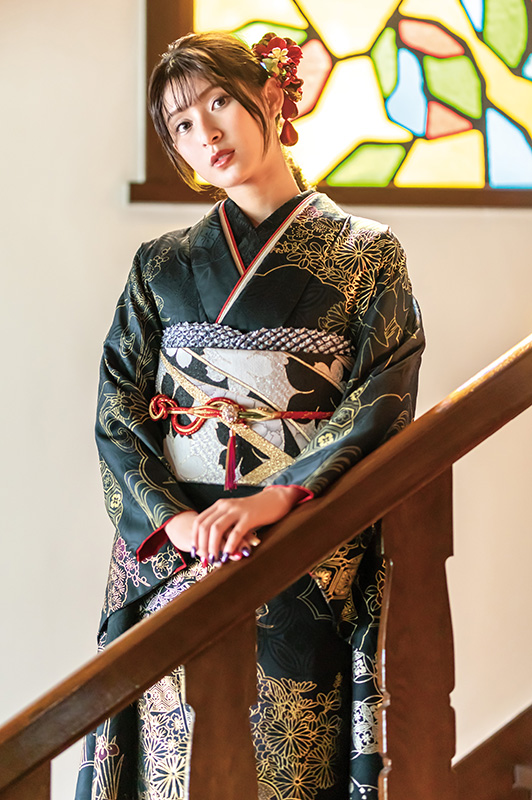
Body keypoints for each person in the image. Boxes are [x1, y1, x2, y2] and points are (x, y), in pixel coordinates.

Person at [75, 31, 424, 800]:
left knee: (289, 758)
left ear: (271, 96)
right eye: (182, 125)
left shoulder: (368, 254)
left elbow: (383, 394)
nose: (205, 133)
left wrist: (280, 497)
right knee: (172, 757)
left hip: (300, 542)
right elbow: (118, 408)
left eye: (219, 103)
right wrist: (172, 522)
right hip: (179, 551)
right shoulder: (160, 264)